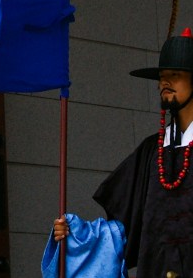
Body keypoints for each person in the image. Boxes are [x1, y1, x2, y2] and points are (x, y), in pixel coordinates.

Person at [53, 26, 193, 277]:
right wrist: (76, 236)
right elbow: (121, 230)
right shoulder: (152, 152)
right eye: (162, 76)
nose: (165, 82)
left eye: (175, 74)